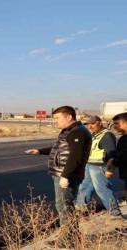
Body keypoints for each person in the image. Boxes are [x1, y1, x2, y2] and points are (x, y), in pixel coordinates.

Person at [25, 105, 91, 249]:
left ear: (68, 117)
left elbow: (75, 156)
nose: (54, 121)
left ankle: (66, 242)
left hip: (68, 175)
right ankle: (73, 238)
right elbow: (61, 148)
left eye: (57, 118)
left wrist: (65, 176)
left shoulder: (77, 132)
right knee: (65, 206)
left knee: (64, 207)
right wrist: (40, 151)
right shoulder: (70, 131)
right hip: (64, 173)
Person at [75, 116, 122, 218]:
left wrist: (109, 169)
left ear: (99, 123)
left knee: (103, 190)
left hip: (100, 167)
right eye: (88, 124)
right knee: (84, 186)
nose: (90, 126)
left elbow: (112, 153)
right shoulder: (95, 134)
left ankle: (115, 213)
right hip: (90, 165)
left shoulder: (107, 135)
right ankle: (80, 206)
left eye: (92, 123)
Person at [107, 112, 127, 205]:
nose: (114, 126)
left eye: (117, 123)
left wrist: (113, 163)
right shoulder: (124, 137)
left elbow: (124, 155)